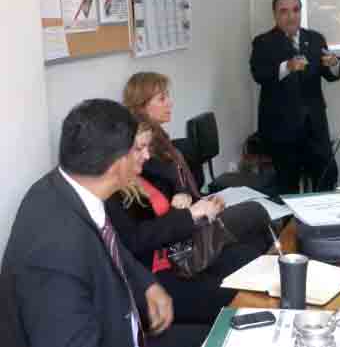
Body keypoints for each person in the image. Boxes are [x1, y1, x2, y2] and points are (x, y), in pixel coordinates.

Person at [1, 99, 208, 347]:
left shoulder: (66, 187)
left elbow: (112, 245)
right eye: (137, 150)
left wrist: (146, 284)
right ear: (115, 165)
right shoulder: (55, 253)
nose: (146, 156)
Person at [119, 72, 271, 323]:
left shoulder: (155, 153)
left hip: (184, 235)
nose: (145, 155)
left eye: (146, 148)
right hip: (177, 252)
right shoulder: (125, 186)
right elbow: (144, 235)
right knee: (255, 215)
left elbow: (175, 201)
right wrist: (191, 212)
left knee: (251, 250)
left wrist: (197, 204)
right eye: (162, 98)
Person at [250, 0, 340, 194]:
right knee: (287, 186)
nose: (291, 16)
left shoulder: (315, 39)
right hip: (281, 129)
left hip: (315, 127)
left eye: (295, 10)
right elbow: (259, 74)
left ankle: (322, 214)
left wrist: (334, 64)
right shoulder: (263, 42)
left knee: (327, 175)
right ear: (275, 15)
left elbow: (331, 75)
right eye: (284, 11)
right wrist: (287, 67)